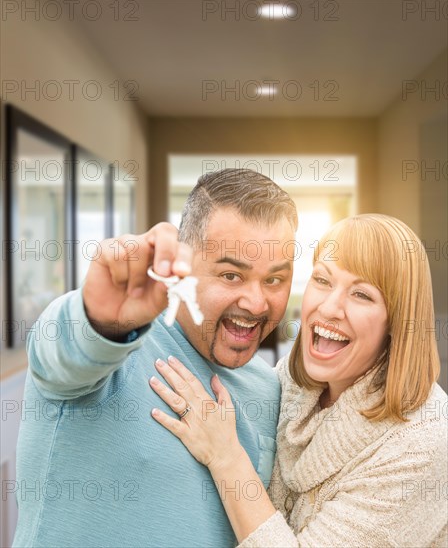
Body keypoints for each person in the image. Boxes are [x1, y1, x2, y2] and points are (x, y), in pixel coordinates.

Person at [12, 169, 298, 547]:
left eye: (274, 280)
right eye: (231, 275)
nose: (257, 302)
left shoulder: (270, 389)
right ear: (183, 266)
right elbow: (61, 354)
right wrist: (100, 321)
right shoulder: (111, 350)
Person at [150, 213, 448, 547]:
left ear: (397, 322)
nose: (329, 307)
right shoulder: (290, 384)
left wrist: (225, 457)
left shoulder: (423, 442)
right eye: (322, 280)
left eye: (361, 295)